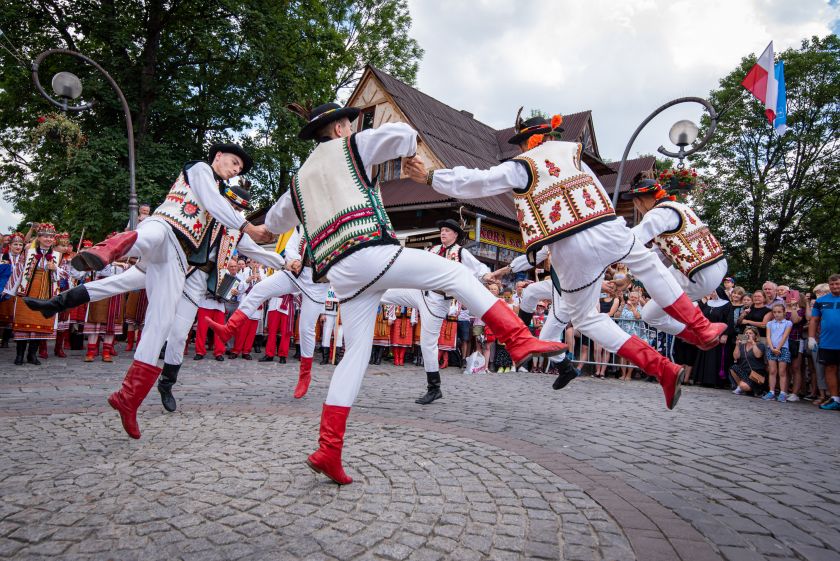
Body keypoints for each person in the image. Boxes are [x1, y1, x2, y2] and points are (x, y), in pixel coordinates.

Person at [227, 101, 564, 485]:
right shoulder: (354, 145)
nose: (351, 129)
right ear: (339, 129)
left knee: (355, 354)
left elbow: (269, 228)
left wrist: (244, 227)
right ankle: (518, 339)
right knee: (455, 273)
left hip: (340, 273)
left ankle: (329, 450)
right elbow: (403, 134)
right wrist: (412, 157)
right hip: (370, 251)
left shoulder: (297, 182)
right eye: (349, 125)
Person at [408, 111, 727, 409]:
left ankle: (662, 368)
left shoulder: (523, 165)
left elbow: (480, 181)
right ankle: (701, 328)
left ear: (526, 142)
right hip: (607, 227)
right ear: (549, 136)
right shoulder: (574, 156)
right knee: (650, 264)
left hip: (572, 246)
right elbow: (597, 193)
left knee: (588, 319)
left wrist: (431, 177)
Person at [29, 146, 272, 438]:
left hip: (178, 265)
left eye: (238, 170)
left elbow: (254, 249)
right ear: (218, 156)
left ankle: (129, 397)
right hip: (166, 229)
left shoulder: (227, 219)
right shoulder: (200, 170)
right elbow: (212, 201)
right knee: (150, 234)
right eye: (234, 163)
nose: (235, 170)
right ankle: (106, 250)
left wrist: (286, 260)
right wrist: (249, 226)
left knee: (160, 324)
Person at [380, 219, 493, 404]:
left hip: (438, 301)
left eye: (447, 230)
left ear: (455, 235)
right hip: (419, 292)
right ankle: (358, 291)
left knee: (427, 344)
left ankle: (434, 387)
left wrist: (487, 275)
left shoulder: (461, 252)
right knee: (383, 293)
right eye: (442, 230)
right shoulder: (432, 250)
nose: (443, 233)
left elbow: (479, 268)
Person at [623, 175, 728, 349]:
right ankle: (699, 336)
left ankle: (702, 329)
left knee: (655, 283)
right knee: (649, 314)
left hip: (697, 274)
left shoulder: (658, 213)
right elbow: (657, 256)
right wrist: (628, 277)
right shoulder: (680, 207)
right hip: (716, 266)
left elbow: (632, 239)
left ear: (638, 202)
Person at [11, 223, 62, 365]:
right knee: (24, 321)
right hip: (28, 289)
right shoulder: (28, 251)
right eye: (45, 236)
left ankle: (32, 355)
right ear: (38, 238)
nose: (48, 239)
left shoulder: (57, 255)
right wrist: (11, 289)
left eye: (51, 237)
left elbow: (64, 275)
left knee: (40, 321)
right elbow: (19, 270)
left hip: (46, 290)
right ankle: (19, 354)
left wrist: (55, 268)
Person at [809, 274, 840, 411]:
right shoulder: (821, 301)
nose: (835, 286)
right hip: (827, 341)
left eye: (838, 284)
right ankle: (835, 399)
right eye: (832, 284)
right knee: (830, 369)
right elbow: (814, 320)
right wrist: (811, 338)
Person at [692, 288, 733, 387]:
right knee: (705, 355)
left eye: (713, 291)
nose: (711, 293)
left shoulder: (726, 304)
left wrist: (726, 334)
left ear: (719, 292)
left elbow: (730, 321)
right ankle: (703, 379)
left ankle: (716, 381)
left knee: (716, 358)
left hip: (719, 334)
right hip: (707, 334)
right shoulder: (708, 303)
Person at [763, 303, 793, 402]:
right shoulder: (770, 323)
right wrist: (772, 348)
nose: (777, 314)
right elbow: (768, 336)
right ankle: (771, 391)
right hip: (771, 348)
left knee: (782, 372)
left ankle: (783, 393)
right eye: (774, 312)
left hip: (782, 348)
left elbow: (785, 336)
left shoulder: (788, 323)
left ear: (784, 312)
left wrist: (778, 348)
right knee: (772, 371)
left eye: (779, 312)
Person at [1, 233, 26, 349]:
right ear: (10, 245)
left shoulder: (24, 259)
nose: (18, 247)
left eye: (20, 244)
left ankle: (6, 339)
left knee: (13, 315)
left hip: (17, 290)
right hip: (3, 289)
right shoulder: (3, 257)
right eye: (15, 244)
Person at [730, 326, 767, 395]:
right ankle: (741, 387)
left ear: (755, 336)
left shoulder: (760, 344)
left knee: (744, 386)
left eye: (750, 333)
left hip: (755, 373)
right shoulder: (742, 344)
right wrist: (737, 345)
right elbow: (736, 357)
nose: (748, 335)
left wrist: (753, 343)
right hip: (745, 372)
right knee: (733, 367)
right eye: (746, 333)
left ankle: (747, 388)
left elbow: (758, 355)